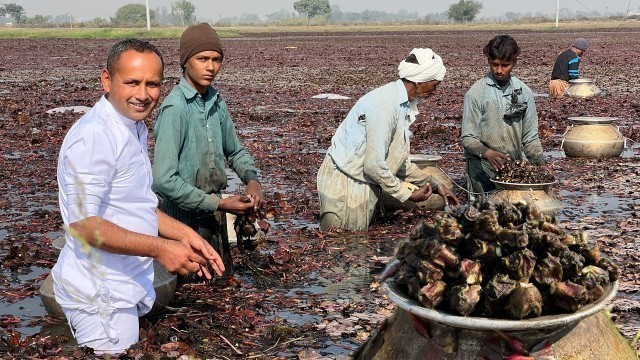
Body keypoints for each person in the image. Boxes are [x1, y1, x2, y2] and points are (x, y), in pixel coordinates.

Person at [52, 38, 225, 354]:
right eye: (132, 82)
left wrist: (183, 234)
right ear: (107, 79)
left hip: (123, 284)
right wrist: (161, 248)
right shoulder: (95, 138)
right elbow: (84, 226)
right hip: (100, 297)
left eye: (152, 84)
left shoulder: (131, 125)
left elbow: (134, 204)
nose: (143, 94)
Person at [152, 23, 262, 278]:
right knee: (190, 295)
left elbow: (235, 151)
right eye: (202, 59)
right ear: (185, 62)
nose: (210, 67)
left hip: (213, 214)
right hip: (181, 218)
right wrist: (220, 203)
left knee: (217, 287)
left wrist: (252, 181)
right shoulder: (175, 109)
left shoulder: (215, 102)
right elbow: (164, 180)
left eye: (216, 60)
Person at [317, 48, 460, 231]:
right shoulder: (386, 104)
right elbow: (374, 166)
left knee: (353, 244)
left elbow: (396, 161)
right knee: (343, 244)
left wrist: (435, 184)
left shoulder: (400, 103)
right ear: (419, 81)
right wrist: (406, 194)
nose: (435, 90)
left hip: (359, 180)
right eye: (434, 84)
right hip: (345, 182)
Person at [461, 35, 546, 198]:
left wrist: (540, 164)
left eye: (505, 65)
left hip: (511, 169)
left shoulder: (524, 92)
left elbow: (530, 138)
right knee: (482, 215)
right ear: (488, 61)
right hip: (481, 167)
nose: (499, 70)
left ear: (514, 62)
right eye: (494, 64)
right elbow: (467, 138)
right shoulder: (476, 94)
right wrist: (487, 152)